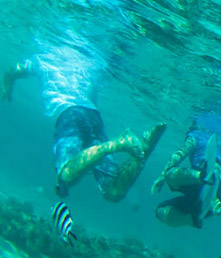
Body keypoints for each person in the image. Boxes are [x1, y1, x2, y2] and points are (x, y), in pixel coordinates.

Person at [3, 55, 164, 201]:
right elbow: (94, 89)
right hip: (92, 114)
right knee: (113, 192)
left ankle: (117, 144)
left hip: (67, 112)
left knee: (66, 175)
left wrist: (6, 89)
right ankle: (143, 150)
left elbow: (12, 70)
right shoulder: (87, 58)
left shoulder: (43, 57)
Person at [152, 126, 221, 228]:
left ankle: (203, 177)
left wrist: (162, 176)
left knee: (169, 176)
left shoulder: (195, 134)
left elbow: (178, 155)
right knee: (162, 213)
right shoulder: (220, 147)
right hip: (217, 194)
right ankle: (197, 216)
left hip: (205, 179)